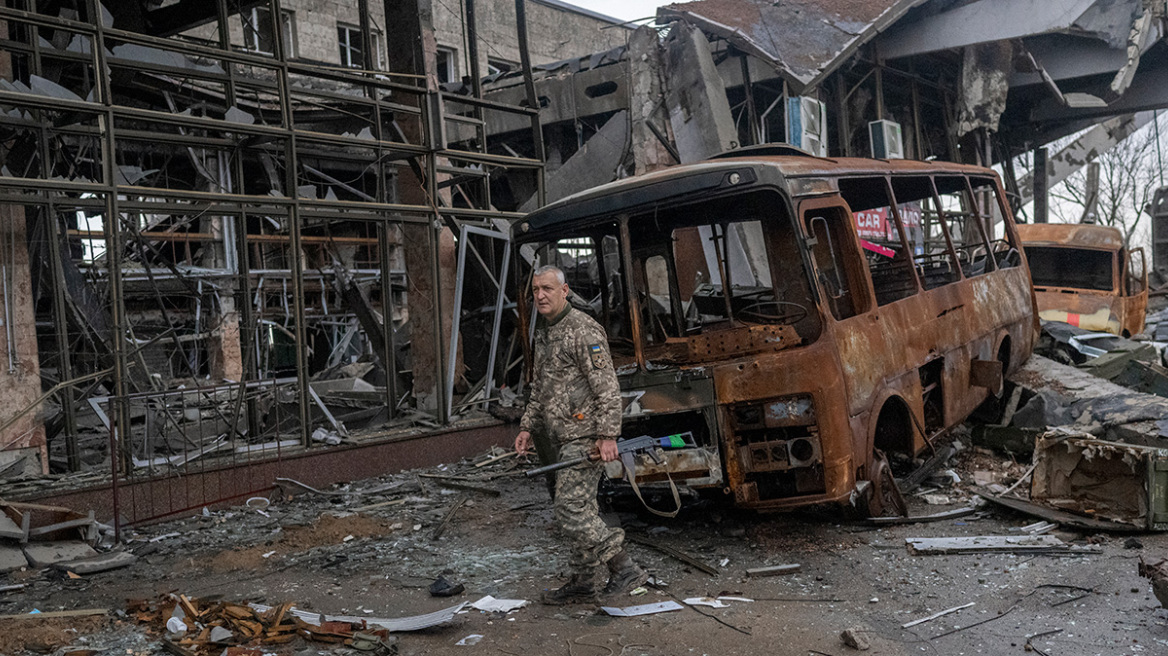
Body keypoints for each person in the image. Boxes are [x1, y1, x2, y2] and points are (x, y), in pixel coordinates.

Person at [515, 265, 648, 605]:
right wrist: (528, 425)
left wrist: (607, 435)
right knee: (581, 508)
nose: (540, 296)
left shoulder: (583, 330)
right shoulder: (544, 331)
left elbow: (606, 387)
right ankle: (582, 581)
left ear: (565, 290)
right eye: (535, 291)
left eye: (547, 288)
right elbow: (540, 386)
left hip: (584, 436)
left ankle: (624, 567)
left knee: (570, 509)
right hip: (558, 436)